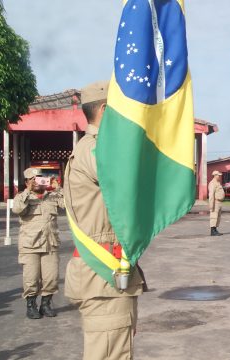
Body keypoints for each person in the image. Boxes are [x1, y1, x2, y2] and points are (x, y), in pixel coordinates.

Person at [65, 81, 146, 360]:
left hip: (109, 272)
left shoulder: (95, 147)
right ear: (105, 108)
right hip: (103, 270)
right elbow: (124, 181)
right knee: (109, 353)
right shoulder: (95, 148)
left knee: (117, 350)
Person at [11, 168, 66, 319]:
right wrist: (28, 192)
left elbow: (68, 205)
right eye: (32, 179)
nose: (36, 182)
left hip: (50, 243)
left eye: (39, 178)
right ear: (26, 182)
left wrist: (58, 188)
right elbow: (17, 209)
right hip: (30, 245)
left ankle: (46, 304)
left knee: (51, 277)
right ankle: (31, 305)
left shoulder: (52, 196)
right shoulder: (22, 197)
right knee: (31, 278)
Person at [208, 171, 225, 236]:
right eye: (218, 175)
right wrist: (211, 205)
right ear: (215, 175)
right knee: (214, 216)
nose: (219, 176)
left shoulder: (218, 183)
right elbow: (211, 194)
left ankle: (215, 229)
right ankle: (212, 231)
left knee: (218, 217)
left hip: (219, 202)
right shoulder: (212, 183)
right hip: (215, 202)